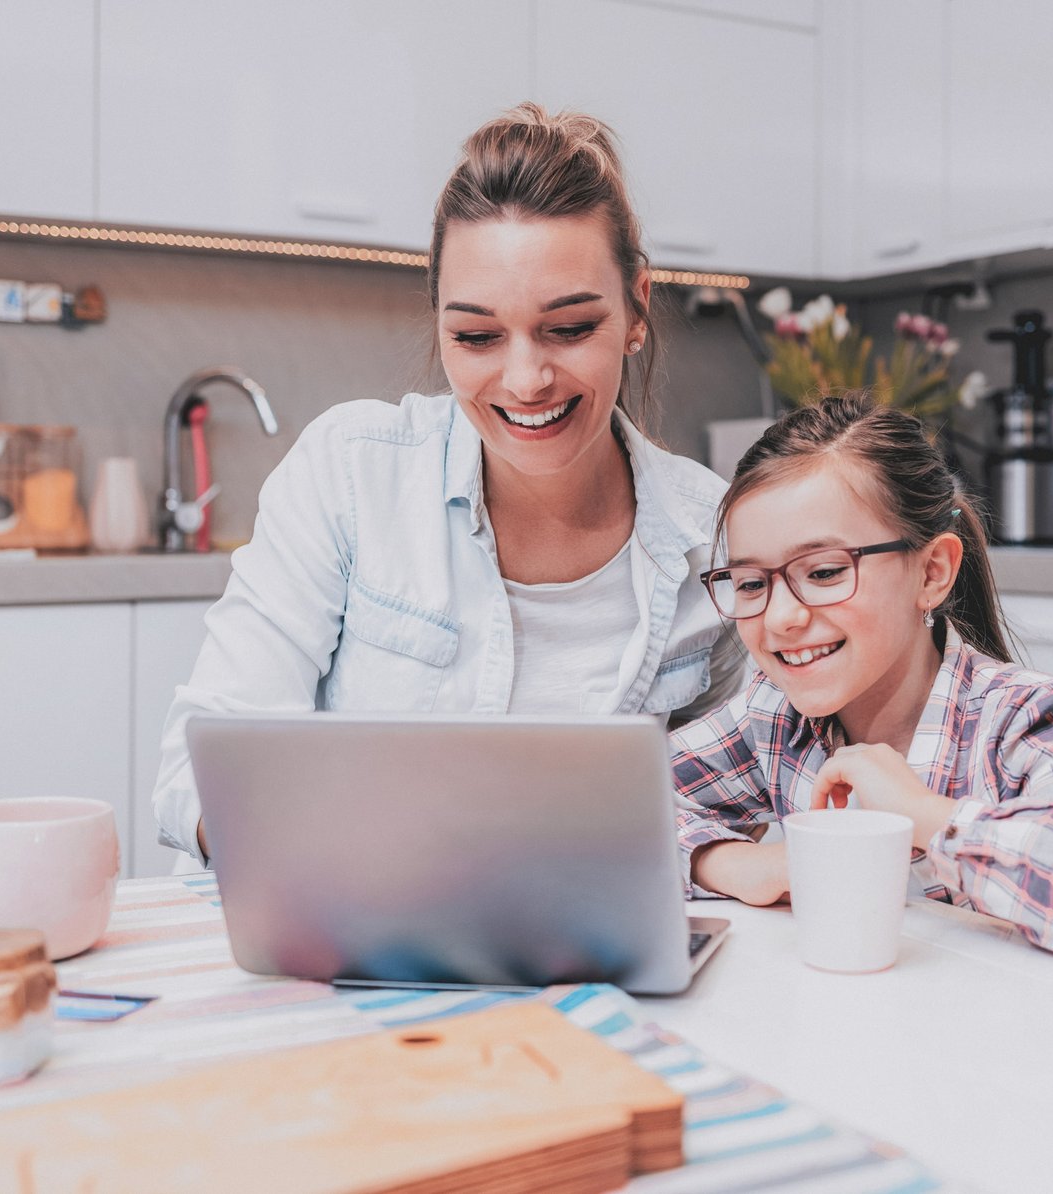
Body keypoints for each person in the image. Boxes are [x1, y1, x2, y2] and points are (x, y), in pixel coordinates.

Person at [154, 104, 742, 867]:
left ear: (637, 308)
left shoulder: (715, 540)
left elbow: (742, 802)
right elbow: (196, 774)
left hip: (589, 935)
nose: (526, 380)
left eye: (569, 328)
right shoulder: (353, 473)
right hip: (352, 919)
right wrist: (317, 854)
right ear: (438, 323)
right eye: (477, 336)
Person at [671, 393, 1053, 978]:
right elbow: (620, 808)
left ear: (932, 573)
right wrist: (729, 863)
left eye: (824, 572)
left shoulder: (1021, 724)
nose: (780, 618)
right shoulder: (774, 717)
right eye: (751, 584)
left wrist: (924, 813)